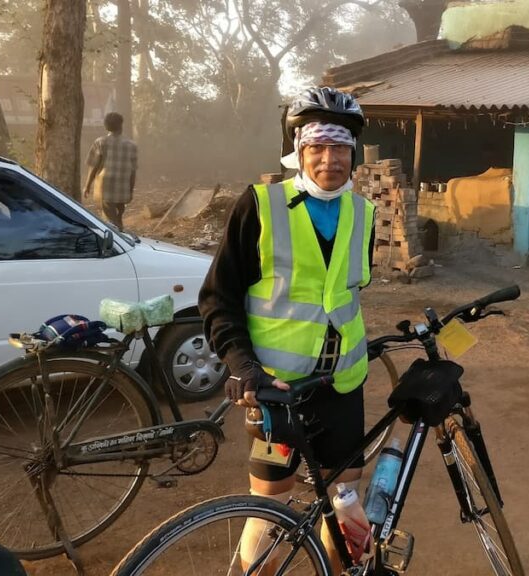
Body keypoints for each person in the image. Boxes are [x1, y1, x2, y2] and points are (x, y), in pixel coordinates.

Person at [198, 86, 375, 572]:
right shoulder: (258, 206)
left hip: (342, 385)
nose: (329, 159)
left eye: (340, 147)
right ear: (297, 150)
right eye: (316, 145)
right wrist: (243, 366)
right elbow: (218, 298)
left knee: (343, 494)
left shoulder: (365, 215)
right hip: (275, 390)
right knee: (270, 502)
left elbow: (347, 292)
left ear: (353, 154)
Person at [84, 112, 138, 230]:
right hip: (122, 189)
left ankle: (117, 243)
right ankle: (121, 238)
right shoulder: (131, 145)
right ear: (121, 126)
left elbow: (93, 166)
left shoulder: (100, 142)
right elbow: (133, 172)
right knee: (117, 219)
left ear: (106, 126)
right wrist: (130, 191)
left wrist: (87, 186)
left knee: (110, 223)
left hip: (105, 189)